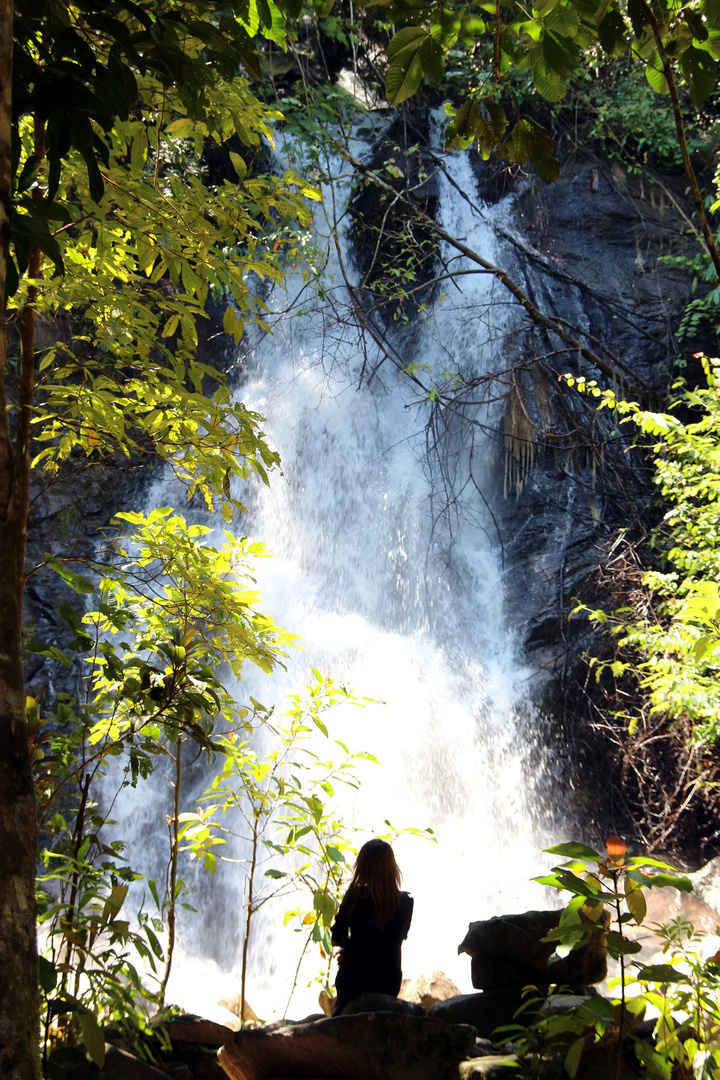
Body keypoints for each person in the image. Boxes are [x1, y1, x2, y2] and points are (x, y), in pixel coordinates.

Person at [330, 838, 413, 1015]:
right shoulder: (406, 902)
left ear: (362, 866)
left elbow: (336, 937)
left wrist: (349, 945)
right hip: (388, 983)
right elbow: (396, 939)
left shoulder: (355, 896)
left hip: (354, 981)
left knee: (339, 1019)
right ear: (392, 867)